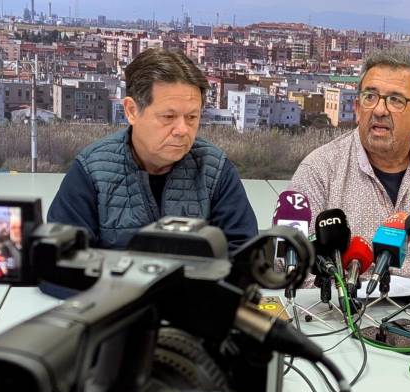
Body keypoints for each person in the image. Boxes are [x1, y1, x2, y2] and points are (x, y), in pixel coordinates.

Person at [289, 48, 410, 280]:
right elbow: (294, 268)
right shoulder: (319, 169)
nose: (380, 110)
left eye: (395, 100)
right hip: (344, 311)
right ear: (358, 108)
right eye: (370, 97)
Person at [48, 48, 258, 252]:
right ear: (131, 111)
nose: (183, 130)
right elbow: (60, 262)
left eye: (192, 117)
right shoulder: (92, 171)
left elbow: (245, 256)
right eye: (168, 117)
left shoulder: (215, 169)